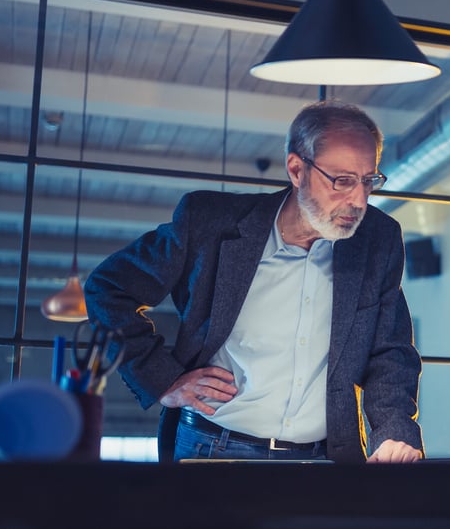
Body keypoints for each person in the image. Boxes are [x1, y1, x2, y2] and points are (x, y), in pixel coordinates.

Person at [84, 99, 424, 464]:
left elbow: (390, 350)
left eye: (368, 180)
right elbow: (108, 288)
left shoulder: (377, 238)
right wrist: (162, 379)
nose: (358, 199)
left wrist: (393, 431)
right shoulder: (210, 223)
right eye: (341, 181)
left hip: (325, 459)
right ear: (296, 169)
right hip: (213, 450)